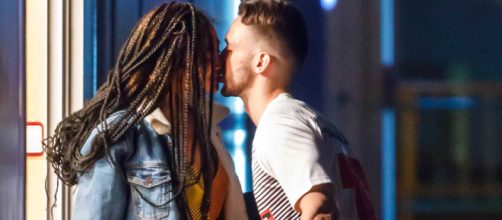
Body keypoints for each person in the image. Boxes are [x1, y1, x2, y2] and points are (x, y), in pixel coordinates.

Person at [43, 2, 247, 220]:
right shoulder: (121, 134)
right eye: (208, 53)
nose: (219, 62)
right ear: (174, 58)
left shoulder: (209, 131)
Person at [221, 0, 376, 219]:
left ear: (261, 62)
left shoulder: (280, 125)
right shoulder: (311, 121)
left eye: (229, 48)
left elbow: (320, 210)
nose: (220, 58)